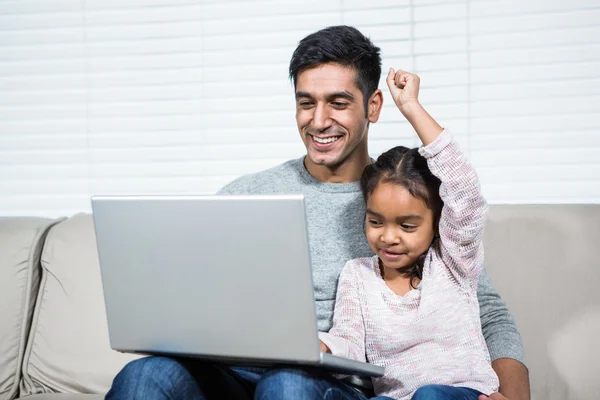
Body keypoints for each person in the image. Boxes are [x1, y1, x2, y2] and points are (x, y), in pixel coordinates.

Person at [106, 25, 530, 400]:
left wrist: (511, 395)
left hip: (328, 384)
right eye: (306, 102)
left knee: (287, 383)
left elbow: (485, 309)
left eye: (338, 103)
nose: (319, 120)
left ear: (374, 106)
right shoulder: (243, 194)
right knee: (144, 377)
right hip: (230, 374)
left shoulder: (406, 201)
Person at [318, 66, 499, 400]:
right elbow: (350, 346)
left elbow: (465, 192)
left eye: (407, 225)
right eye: (376, 222)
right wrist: (323, 345)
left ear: (436, 223)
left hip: (462, 393)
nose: (388, 237)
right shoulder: (358, 276)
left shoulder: (453, 262)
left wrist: (412, 108)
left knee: (429, 396)